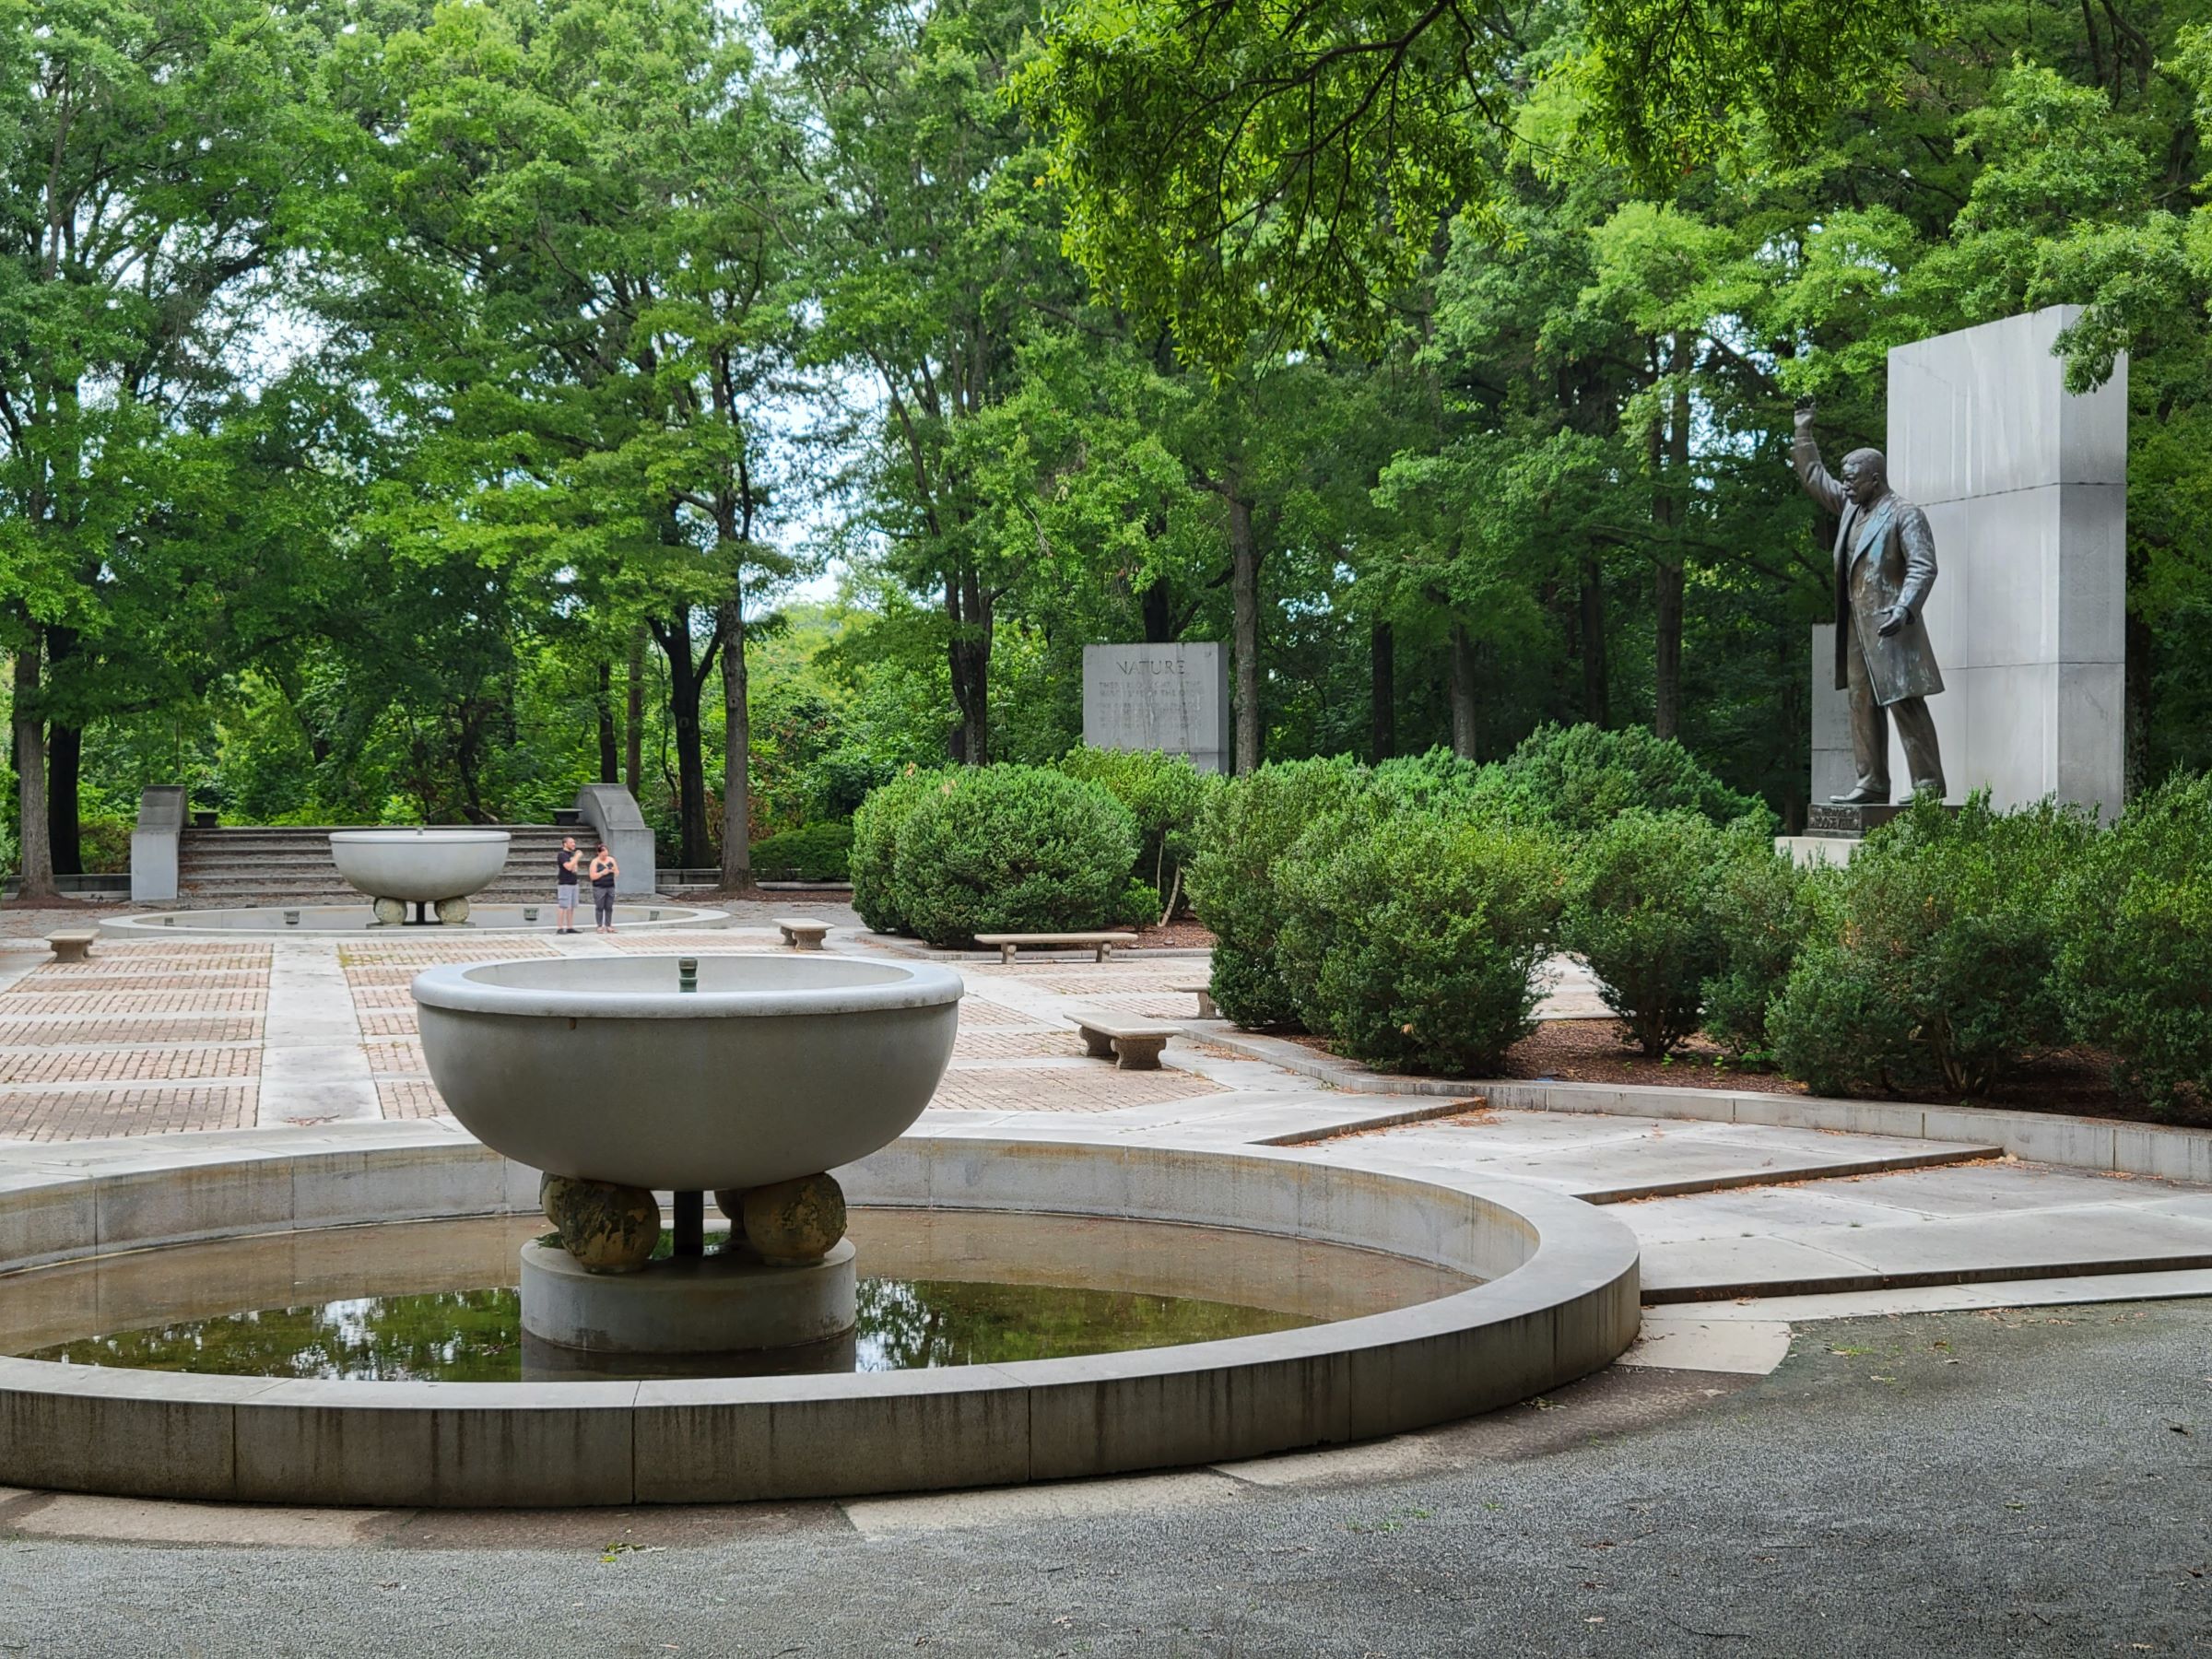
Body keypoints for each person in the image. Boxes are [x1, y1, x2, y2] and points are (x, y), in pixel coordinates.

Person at [1790, 397, 1947, 803]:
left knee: (1905, 703)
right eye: (1844, 479)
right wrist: (1803, 432)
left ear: (1874, 480)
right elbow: (1815, 478)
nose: (1845, 485)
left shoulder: (1904, 513)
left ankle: (1928, 784)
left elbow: (1923, 566)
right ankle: (1872, 781)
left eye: (1852, 480)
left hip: (1892, 626)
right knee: (1861, 703)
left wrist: (1905, 607)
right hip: (1857, 629)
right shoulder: (1850, 508)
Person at [589, 841, 618, 934]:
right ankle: (599, 926)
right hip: (599, 887)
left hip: (610, 886)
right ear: (599, 853)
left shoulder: (611, 860)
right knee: (600, 906)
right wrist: (602, 873)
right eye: (603, 853)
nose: (605, 854)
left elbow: (617, 872)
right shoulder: (595, 862)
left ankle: (608, 925)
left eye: (606, 852)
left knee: (609, 906)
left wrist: (613, 871)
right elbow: (592, 876)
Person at [554, 836, 581, 935]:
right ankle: (560, 927)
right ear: (565, 844)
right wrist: (577, 857)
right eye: (571, 842)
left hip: (573, 882)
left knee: (571, 906)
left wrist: (575, 859)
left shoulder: (572, 855)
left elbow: (574, 869)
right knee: (563, 905)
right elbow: (568, 867)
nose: (574, 844)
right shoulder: (562, 854)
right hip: (565, 883)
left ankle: (570, 926)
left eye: (574, 842)